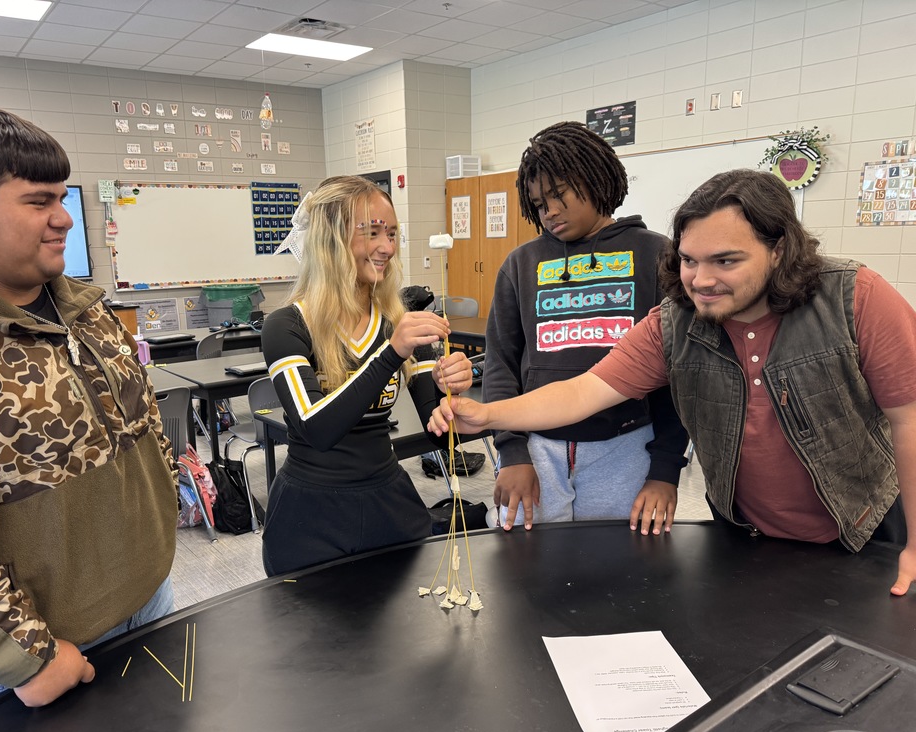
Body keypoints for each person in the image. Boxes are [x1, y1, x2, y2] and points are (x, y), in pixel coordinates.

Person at [429, 168, 916, 596]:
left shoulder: (855, 297)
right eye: (688, 260)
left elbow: (909, 421)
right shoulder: (675, 322)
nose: (701, 280)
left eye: (725, 261)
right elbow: (583, 392)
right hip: (742, 531)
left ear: (779, 249)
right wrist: (488, 414)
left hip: (863, 529)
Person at [0, 108, 178, 718]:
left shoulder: (82, 307)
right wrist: (26, 658)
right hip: (37, 660)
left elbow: (141, 427)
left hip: (149, 601)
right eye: (39, 201)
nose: (64, 218)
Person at [260, 175, 472, 576]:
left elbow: (439, 434)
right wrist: (391, 354)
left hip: (389, 504)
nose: (387, 247)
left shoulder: (400, 318)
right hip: (310, 518)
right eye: (373, 232)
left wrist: (452, 396)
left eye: (392, 234)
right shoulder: (288, 325)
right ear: (331, 239)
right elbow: (316, 429)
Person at [484, 121, 687, 532]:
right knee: (529, 564)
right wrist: (512, 452)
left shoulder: (656, 254)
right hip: (537, 446)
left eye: (560, 195)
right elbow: (500, 363)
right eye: (540, 204)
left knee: (620, 564)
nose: (550, 211)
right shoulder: (520, 265)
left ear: (596, 180)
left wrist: (665, 469)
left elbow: (678, 372)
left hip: (628, 447)